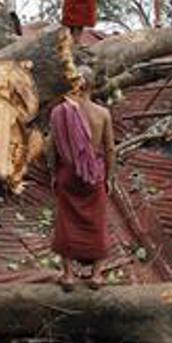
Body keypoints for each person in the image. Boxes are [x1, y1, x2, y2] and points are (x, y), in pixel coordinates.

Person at [48, 66, 115, 291]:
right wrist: (110, 178)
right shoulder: (102, 113)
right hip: (94, 174)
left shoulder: (59, 111)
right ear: (93, 85)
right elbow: (110, 149)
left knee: (66, 220)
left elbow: (52, 147)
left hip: (68, 172)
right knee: (97, 221)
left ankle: (68, 276)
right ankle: (96, 275)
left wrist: (53, 173)